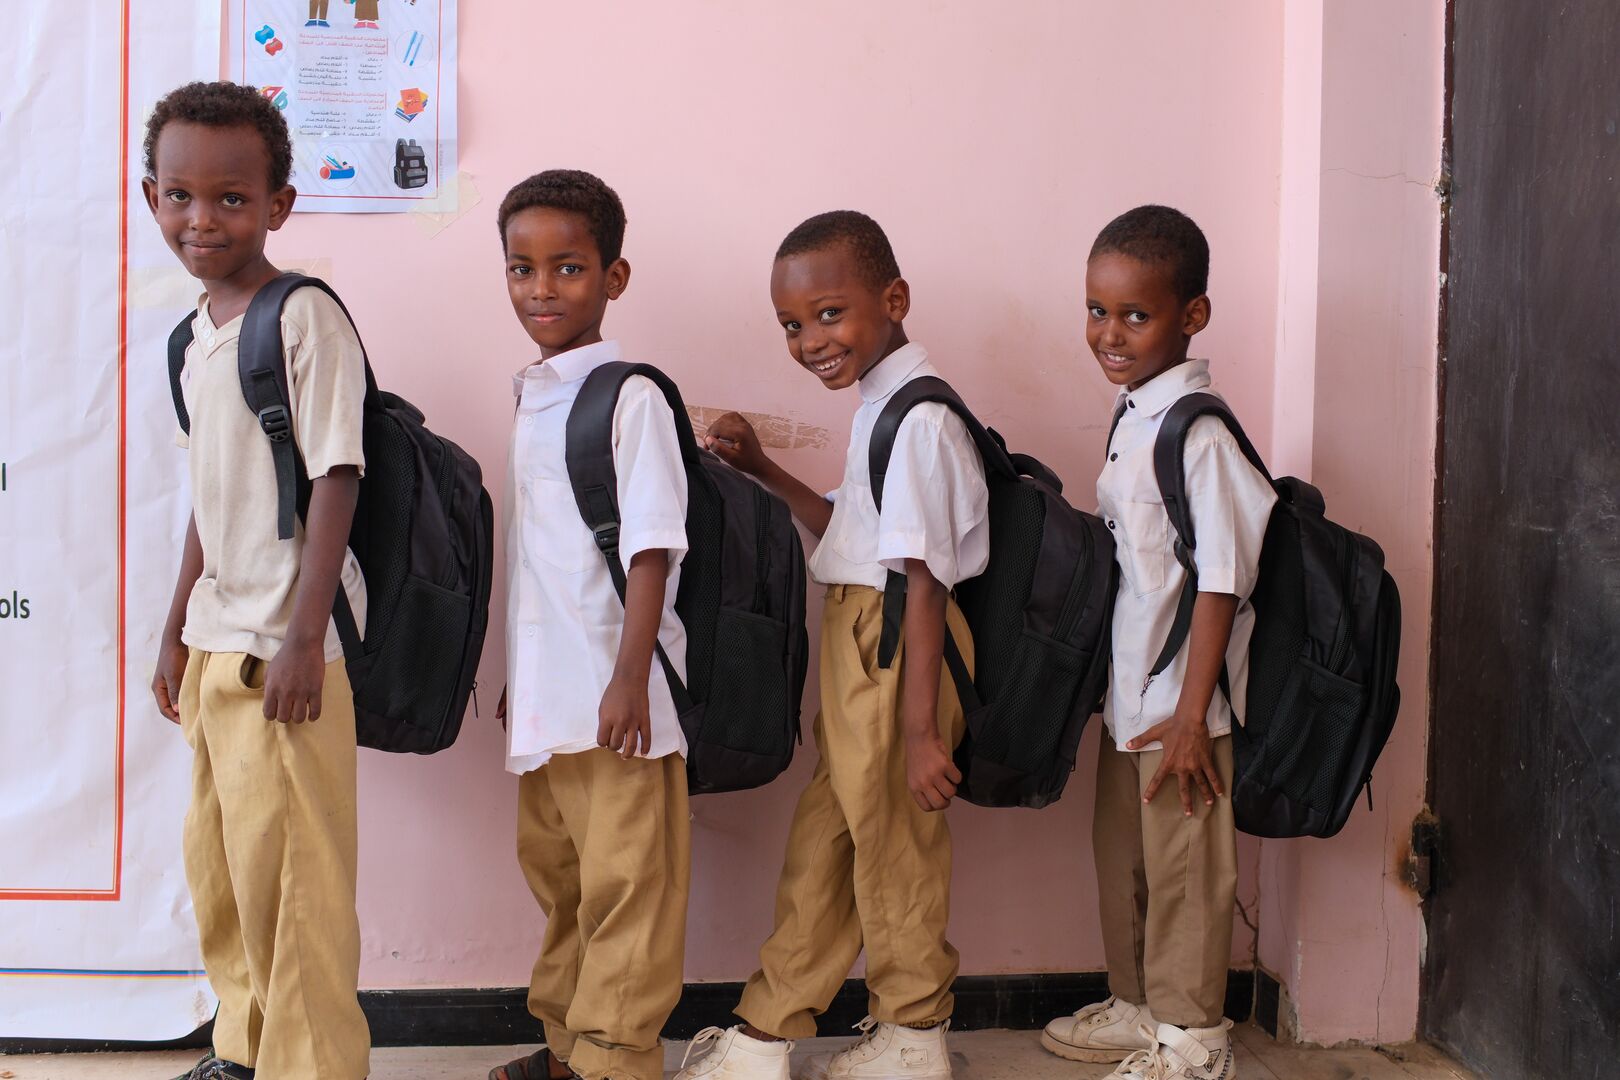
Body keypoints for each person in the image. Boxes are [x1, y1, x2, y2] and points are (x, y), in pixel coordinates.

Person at [675, 210, 988, 1080]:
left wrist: (921, 733)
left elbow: (923, 579)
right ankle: (768, 1030)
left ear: (893, 299)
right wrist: (763, 473)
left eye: (829, 314)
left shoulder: (920, 420)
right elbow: (855, 533)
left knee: (891, 842)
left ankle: (915, 1031)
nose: (810, 340)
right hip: (869, 630)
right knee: (833, 839)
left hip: (897, 641)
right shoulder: (884, 405)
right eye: (790, 324)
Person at [144, 80, 371, 1080]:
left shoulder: (303, 317)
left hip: (284, 651)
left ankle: (311, 1067)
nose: (203, 219)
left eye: (232, 197)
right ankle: (242, 1050)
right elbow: (216, 492)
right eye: (180, 196)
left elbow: (337, 476)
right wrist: (173, 627)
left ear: (279, 204)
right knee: (227, 870)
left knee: (299, 888)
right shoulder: (193, 337)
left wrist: (304, 638)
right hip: (215, 643)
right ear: (150, 196)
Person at [1040, 205, 1276, 1080]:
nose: (1109, 332)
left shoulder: (1197, 432)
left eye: (1135, 315)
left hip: (1186, 705)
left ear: (1192, 315)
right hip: (1130, 694)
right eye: (1097, 311)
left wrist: (1189, 716)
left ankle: (1193, 1038)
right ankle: (1139, 1006)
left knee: (1184, 875)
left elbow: (1222, 579)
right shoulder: (1135, 416)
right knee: (1128, 864)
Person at [489, 169, 691, 1080]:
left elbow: (653, 547)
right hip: (551, 700)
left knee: (627, 891)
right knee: (564, 885)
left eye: (567, 268)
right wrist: (520, 678)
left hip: (618, 699)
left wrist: (629, 677)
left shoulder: (630, 395)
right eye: (522, 268)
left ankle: (616, 1056)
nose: (541, 289)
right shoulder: (535, 391)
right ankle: (570, 1043)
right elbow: (542, 559)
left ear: (614, 278)